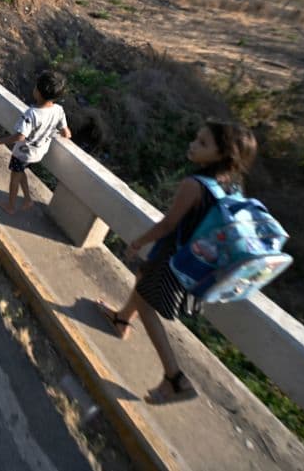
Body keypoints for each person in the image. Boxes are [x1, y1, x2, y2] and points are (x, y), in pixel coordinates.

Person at [96, 121, 258, 405]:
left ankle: (175, 378)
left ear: (223, 155)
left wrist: (138, 242)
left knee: (147, 305)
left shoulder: (194, 185)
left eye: (203, 143)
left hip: (174, 258)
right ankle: (121, 319)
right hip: (198, 260)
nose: (193, 145)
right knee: (142, 279)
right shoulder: (231, 186)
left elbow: (168, 224)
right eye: (196, 139)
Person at [0, 71, 70, 213]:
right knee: (20, 172)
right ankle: (27, 199)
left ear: (38, 92)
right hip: (39, 153)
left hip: (23, 153)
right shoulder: (58, 110)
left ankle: (10, 206)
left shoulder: (31, 114)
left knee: (14, 178)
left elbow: (20, 136)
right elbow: (66, 133)